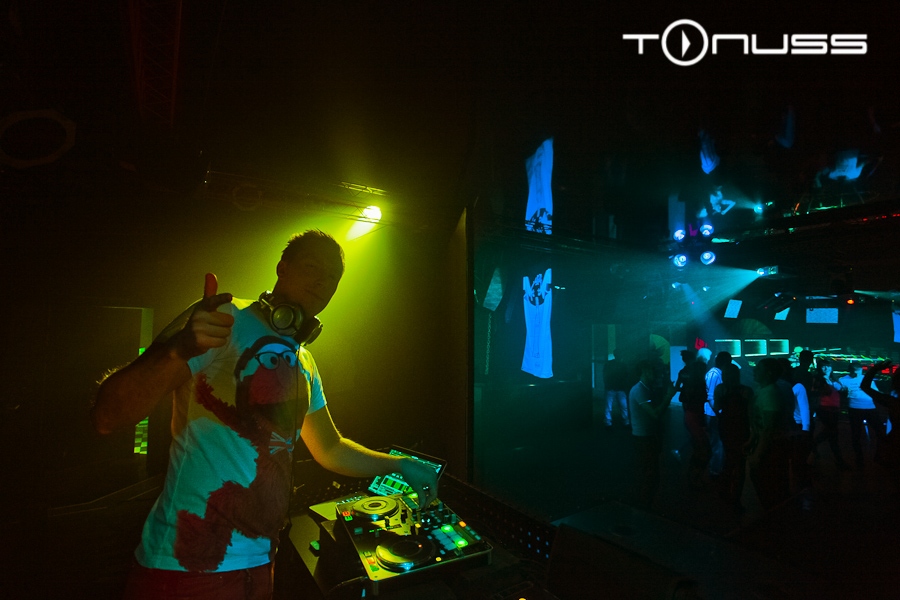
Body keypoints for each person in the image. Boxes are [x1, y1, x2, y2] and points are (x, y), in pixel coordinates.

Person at [91, 230, 439, 600]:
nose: (322, 282)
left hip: (259, 564)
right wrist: (178, 349)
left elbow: (331, 448)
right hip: (186, 568)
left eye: (332, 277)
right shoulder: (224, 319)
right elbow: (108, 415)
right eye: (312, 268)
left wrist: (399, 464)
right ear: (282, 268)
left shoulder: (304, 361)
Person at [629, 360, 676, 510]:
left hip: (647, 436)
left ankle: (645, 504)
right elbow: (655, 414)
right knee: (650, 472)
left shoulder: (645, 388)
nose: (655, 374)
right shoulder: (639, 390)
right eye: (651, 371)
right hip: (644, 438)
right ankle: (645, 505)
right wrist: (669, 396)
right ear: (644, 371)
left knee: (649, 471)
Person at [746, 358, 792, 510]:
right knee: (770, 484)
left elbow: (769, 428)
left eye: (759, 369)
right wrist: (752, 439)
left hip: (772, 447)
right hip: (770, 445)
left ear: (769, 373)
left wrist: (757, 453)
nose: (754, 371)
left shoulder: (770, 393)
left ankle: (775, 517)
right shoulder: (764, 390)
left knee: (769, 485)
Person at [714, 363, 753, 511]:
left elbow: (717, 408)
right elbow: (750, 413)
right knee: (740, 463)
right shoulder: (746, 391)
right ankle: (735, 497)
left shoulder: (720, 389)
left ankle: (724, 491)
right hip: (741, 428)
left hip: (726, 427)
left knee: (729, 459)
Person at [674, 349, 709, 488]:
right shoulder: (699, 378)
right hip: (695, 411)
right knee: (701, 444)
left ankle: (693, 475)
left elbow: (677, 387)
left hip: (689, 408)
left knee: (695, 437)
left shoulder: (683, 372)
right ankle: (694, 476)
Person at [840, 362, 885, 470]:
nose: (857, 375)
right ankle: (861, 459)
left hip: (865, 408)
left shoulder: (847, 379)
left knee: (877, 433)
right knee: (857, 435)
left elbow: (876, 392)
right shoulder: (843, 380)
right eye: (855, 373)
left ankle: (866, 459)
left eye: (859, 372)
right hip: (857, 408)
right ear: (850, 371)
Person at [809, 359, 849, 470]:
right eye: (823, 366)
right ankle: (839, 460)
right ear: (819, 368)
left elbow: (840, 393)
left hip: (834, 409)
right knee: (832, 433)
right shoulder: (818, 379)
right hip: (824, 408)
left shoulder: (833, 379)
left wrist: (843, 390)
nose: (826, 368)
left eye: (828, 366)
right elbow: (814, 393)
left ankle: (813, 445)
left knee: (832, 433)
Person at [603, 350, 631, 427]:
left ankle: (608, 422)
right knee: (623, 406)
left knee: (608, 406)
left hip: (611, 388)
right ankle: (626, 421)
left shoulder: (609, 364)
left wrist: (607, 385)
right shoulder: (623, 365)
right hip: (619, 388)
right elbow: (626, 376)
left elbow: (605, 375)